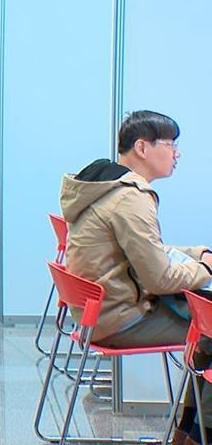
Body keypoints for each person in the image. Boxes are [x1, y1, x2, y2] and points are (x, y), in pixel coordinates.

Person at [61, 110, 212, 445]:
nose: (177, 154)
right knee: (208, 329)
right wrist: (206, 270)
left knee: (207, 331)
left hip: (99, 315)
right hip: (121, 320)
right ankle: (197, 434)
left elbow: (147, 250)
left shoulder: (107, 185)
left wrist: (197, 253)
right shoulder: (131, 198)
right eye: (171, 144)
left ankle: (188, 433)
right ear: (143, 148)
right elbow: (159, 279)